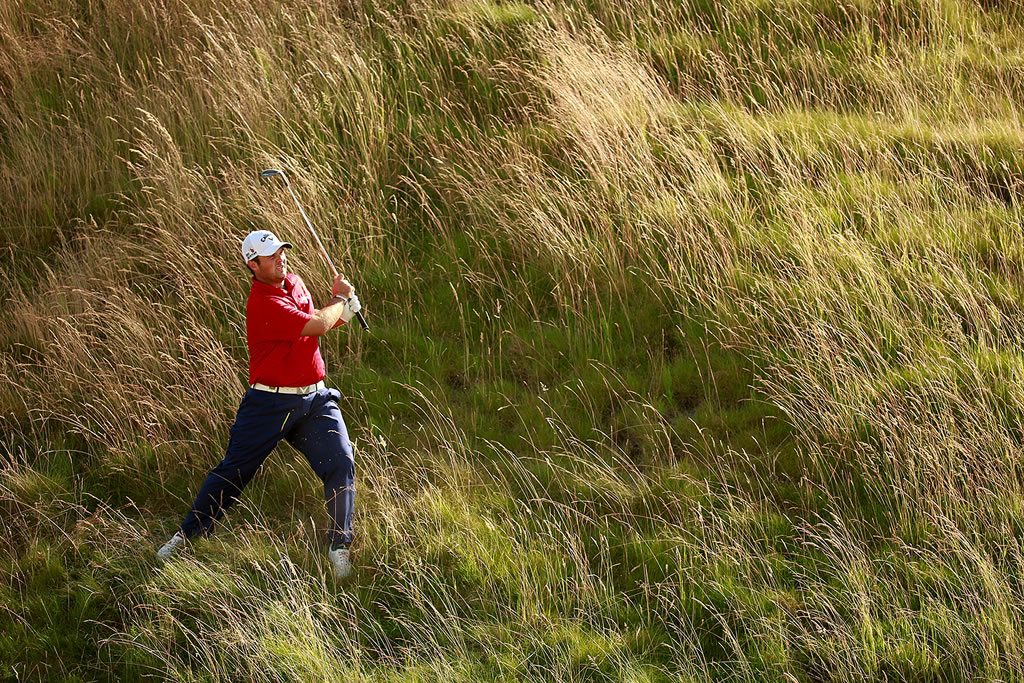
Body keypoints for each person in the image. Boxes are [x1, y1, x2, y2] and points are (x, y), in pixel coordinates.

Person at [156, 229, 362, 579]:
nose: (281, 258)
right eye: (272, 256)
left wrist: (345, 311)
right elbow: (316, 325)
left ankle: (339, 545)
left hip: (315, 398)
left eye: (282, 251)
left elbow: (312, 326)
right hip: (269, 402)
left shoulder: (294, 282)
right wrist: (341, 300)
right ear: (253, 264)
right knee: (234, 471)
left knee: (341, 461)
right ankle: (187, 536)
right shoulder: (262, 302)